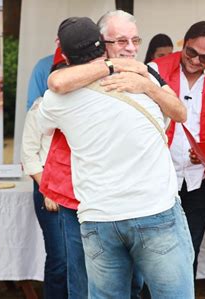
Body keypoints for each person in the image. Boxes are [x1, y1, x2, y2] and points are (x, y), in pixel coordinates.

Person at [38, 16, 194, 299]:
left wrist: (144, 83)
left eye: (135, 41)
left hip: (101, 217)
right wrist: (121, 71)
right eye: (122, 41)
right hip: (152, 212)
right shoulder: (141, 76)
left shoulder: (57, 101)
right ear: (104, 45)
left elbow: (54, 88)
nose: (131, 49)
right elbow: (181, 114)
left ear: (63, 52)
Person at [148, 20, 205, 277]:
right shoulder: (155, 69)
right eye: (191, 52)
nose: (195, 61)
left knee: (189, 248)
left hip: (198, 178)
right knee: (154, 250)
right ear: (183, 43)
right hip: (159, 174)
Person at [21, 97, 67, 299]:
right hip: (48, 188)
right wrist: (48, 190)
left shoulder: (86, 105)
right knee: (61, 258)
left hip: (81, 190)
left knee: (84, 258)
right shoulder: (39, 110)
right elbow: (29, 157)